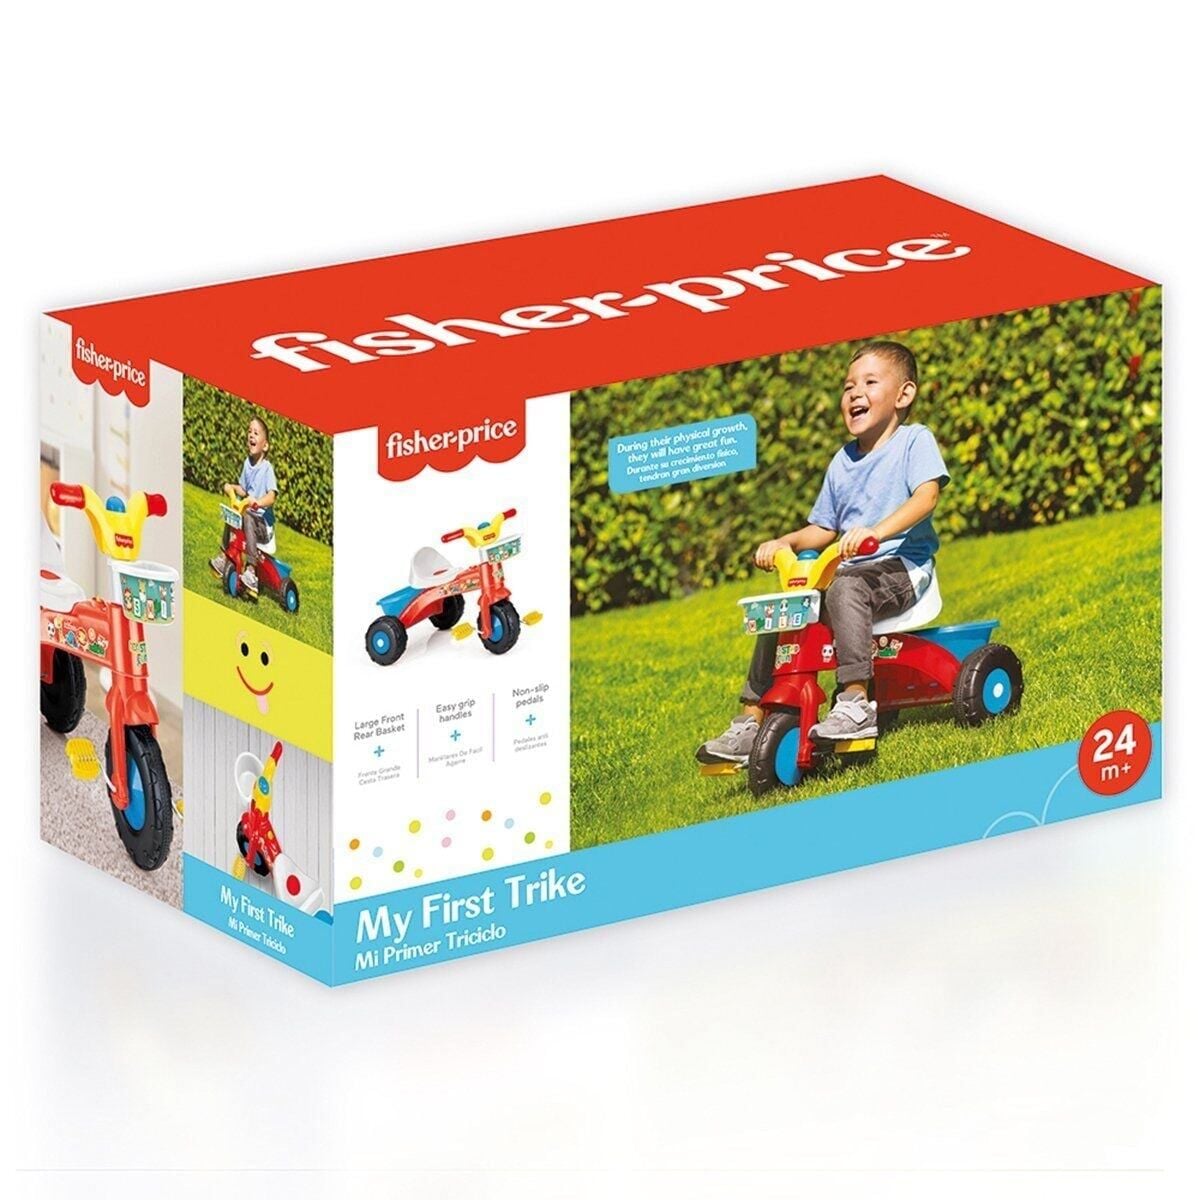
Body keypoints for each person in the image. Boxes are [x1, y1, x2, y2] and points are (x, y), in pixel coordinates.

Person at [696, 341, 949, 764]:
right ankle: (751, 719)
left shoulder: (914, 441)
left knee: (846, 586)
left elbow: (927, 497)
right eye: (848, 386)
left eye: (870, 382)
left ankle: (854, 702)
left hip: (902, 568)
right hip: (849, 573)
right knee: (785, 608)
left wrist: (876, 532)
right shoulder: (842, 461)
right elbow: (824, 528)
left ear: (904, 394)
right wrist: (786, 543)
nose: (855, 393)